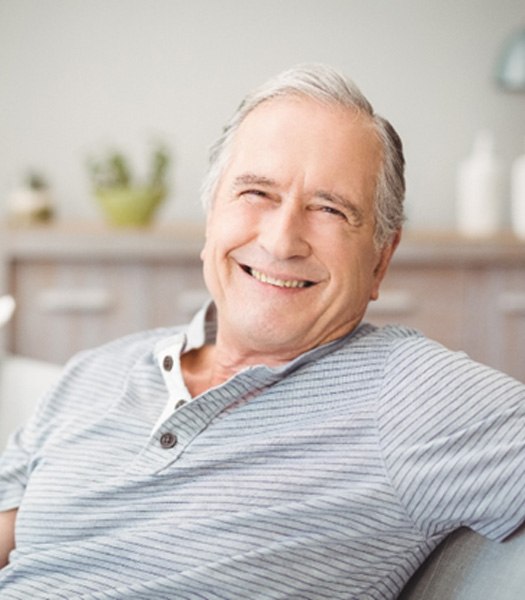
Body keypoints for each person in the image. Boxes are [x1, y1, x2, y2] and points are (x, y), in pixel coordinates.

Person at [0, 63, 523, 599]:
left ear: (380, 261)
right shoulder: (96, 370)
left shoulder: (409, 395)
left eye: (329, 209)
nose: (281, 240)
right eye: (256, 193)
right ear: (211, 218)